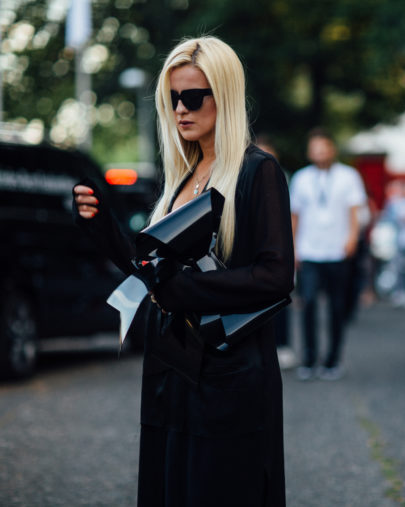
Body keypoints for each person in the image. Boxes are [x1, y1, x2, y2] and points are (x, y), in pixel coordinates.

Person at [73, 36, 293, 506]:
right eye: (173, 99)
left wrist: (185, 289)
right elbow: (156, 275)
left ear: (225, 96)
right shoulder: (184, 175)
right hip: (170, 373)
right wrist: (103, 228)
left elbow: (276, 277)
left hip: (228, 377)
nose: (180, 109)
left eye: (193, 97)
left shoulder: (258, 172)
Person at [289, 128, 367, 381]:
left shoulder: (348, 176)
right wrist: (293, 246)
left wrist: (353, 238)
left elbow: (355, 210)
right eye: (315, 148)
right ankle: (309, 359)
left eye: (324, 147)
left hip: (337, 250)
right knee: (308, 303)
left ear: (332, 149)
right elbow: (295, 215)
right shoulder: (301, 178)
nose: (320, 153)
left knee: (336, 306)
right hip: (310, 250)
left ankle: (332, 359)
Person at [256, 134, 298, 370]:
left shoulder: (285, 179)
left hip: (280, 246)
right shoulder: (242, 179)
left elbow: (293, 217)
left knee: (281, 296)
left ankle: (282, 345)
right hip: (255, 249)